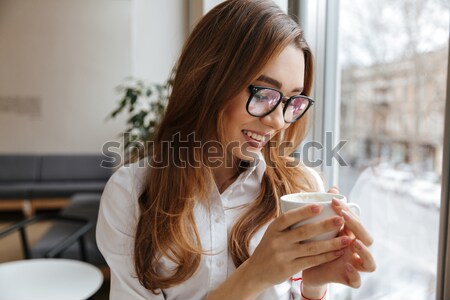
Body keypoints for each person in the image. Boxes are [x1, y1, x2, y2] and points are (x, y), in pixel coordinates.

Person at [96, 0, 376, 299]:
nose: (277, 121)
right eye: (263, 93)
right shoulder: (131, 193)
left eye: (291, 102)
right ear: (208, 82)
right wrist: (254, 276)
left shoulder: (301, 187)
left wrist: (314, 286)